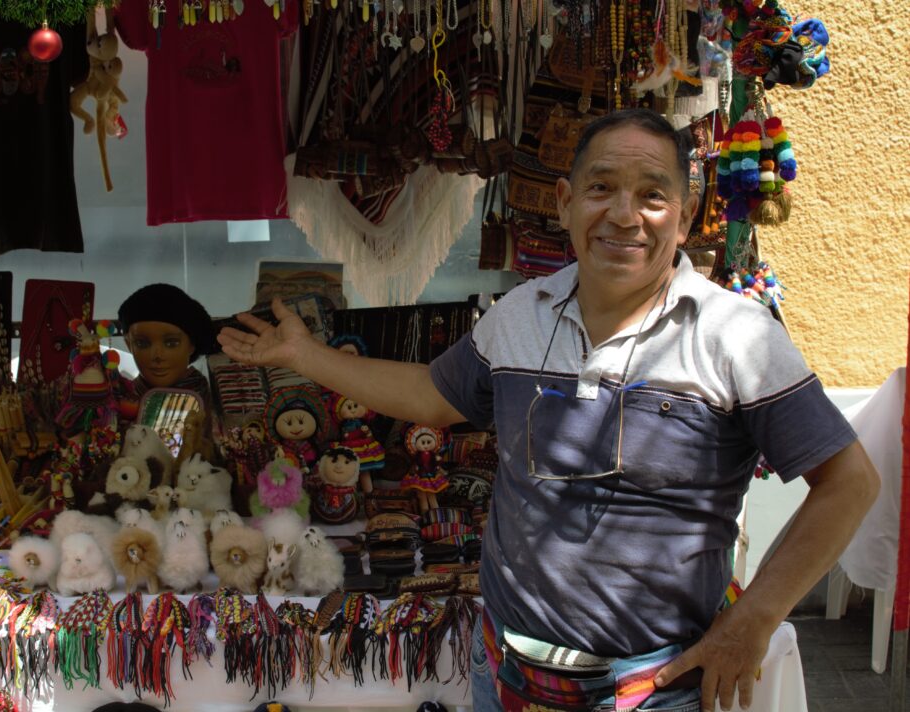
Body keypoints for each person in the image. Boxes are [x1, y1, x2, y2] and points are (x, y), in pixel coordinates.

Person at [217, 109, 879, 712]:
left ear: (683, 215)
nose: (624, 215)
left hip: (659, 687)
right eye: (600, 189)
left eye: (651, 195)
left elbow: (850, 482)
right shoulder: (518, 318)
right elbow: (429, 397)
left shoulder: (736, 335)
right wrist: (304, 355)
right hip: (509, 673)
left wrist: (754, 619)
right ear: (564, 203)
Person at [118, 283, 218, 436]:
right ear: (128, 344)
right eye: (142, 343)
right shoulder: (118, 400)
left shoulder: (209, 401)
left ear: (192, 345)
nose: (157, 355)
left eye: (171, 343)